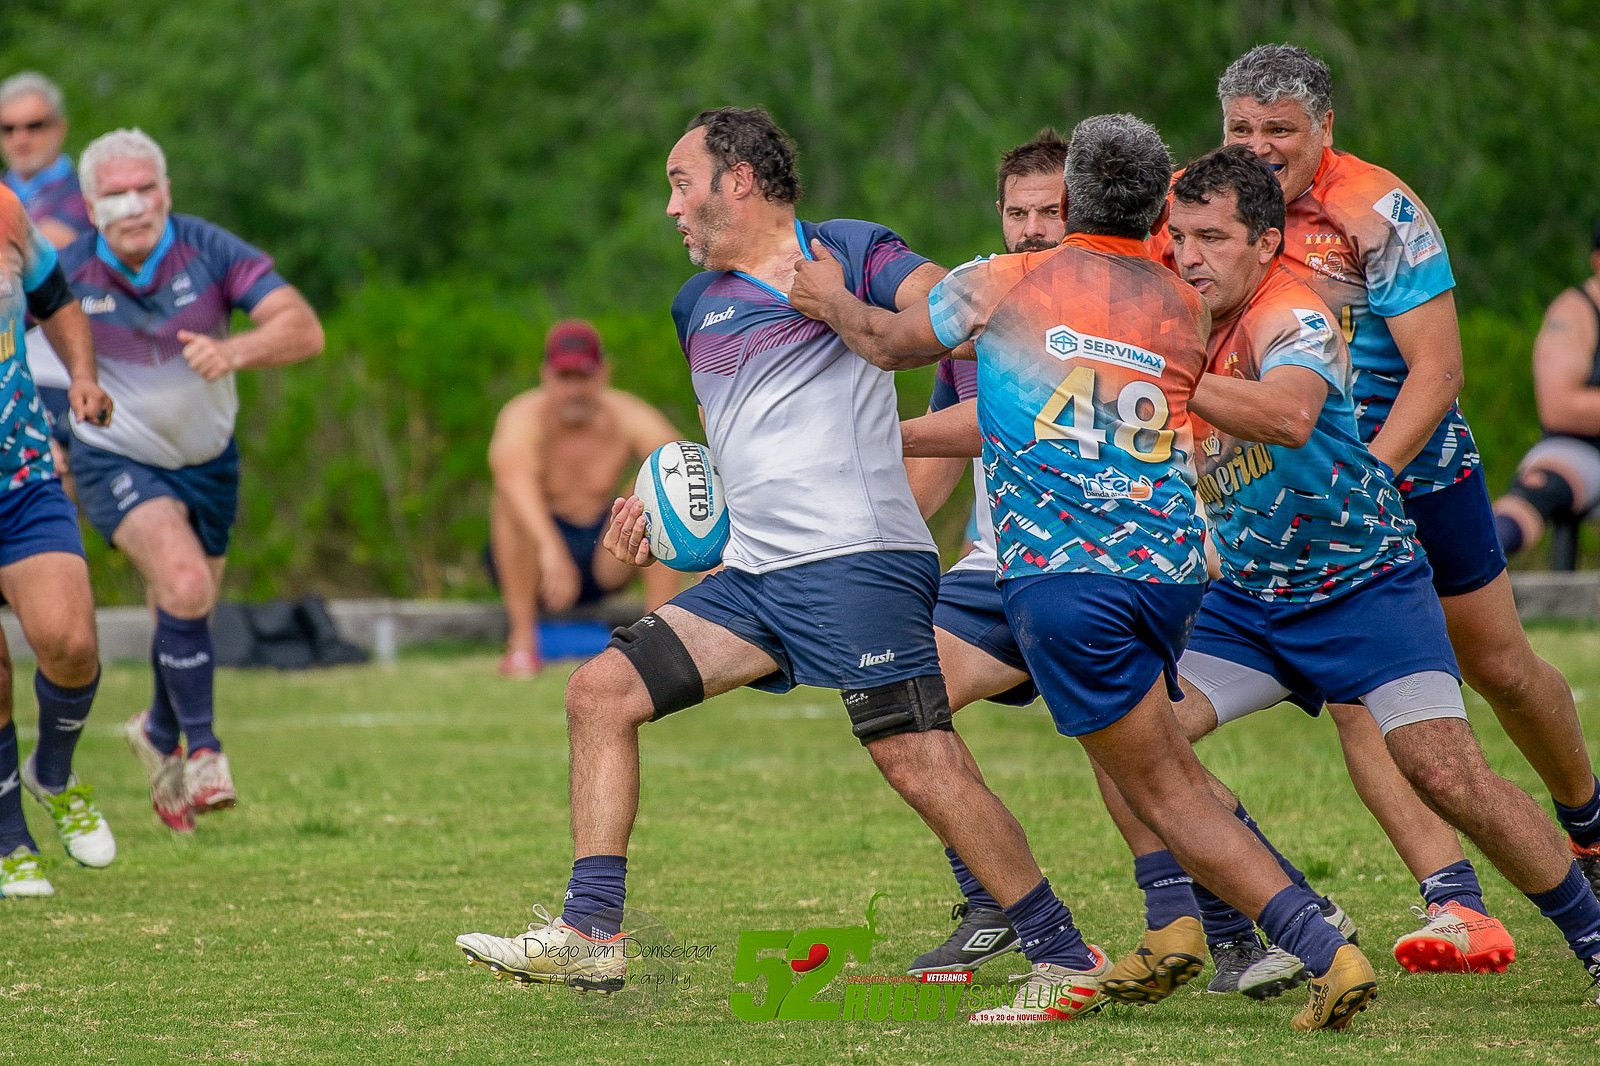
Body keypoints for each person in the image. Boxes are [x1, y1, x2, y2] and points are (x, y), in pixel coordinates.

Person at [459, 106, 1146, 1027]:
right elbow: (744, 452)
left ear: (738, 180)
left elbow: (955, 312)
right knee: (600, 694)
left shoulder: (848, 250)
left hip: (859, 560)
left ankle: (1064, 955)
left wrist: (846, 307)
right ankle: (590, 933)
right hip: (756, 573)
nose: (671, 208)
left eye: (680, 183)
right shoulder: (695, 305)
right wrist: (661, 514)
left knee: (916, 759)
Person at [793, 112, 1375, 1032]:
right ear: (1155, 208)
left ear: (1070, 201)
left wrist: (829, 297)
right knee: (1146, 764)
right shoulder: (1179, 302)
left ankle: (1315, 944)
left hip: (1069, 580)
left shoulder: (1002, 280)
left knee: (1164, 788)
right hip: (1169, 573)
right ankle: (1179, 929)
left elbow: (888, 340)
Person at [1130, 143, 1600, 1003]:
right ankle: (1294, 919)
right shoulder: (1173, 318)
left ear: (1265, 243)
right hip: (1249, 601)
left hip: (1363, 589)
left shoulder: (1292, 315)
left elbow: (1289, 414)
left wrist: (1166, 380)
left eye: (1211, 238)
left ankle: (1593, 936)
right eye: (1179, 237)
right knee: (1133, 740)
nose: (1187, 256)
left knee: (1446, 774)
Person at [1205, 44, 1600, 903]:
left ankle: (1590, 822)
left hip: (1414, 473)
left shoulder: (1376, 208)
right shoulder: (1201, 209)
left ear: (1325, 127)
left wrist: (1373, 475)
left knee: (1499, 667)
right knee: (1361, 698)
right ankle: (1453, 899)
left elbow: (1440, 370)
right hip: (1291, 497)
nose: (1259, 147)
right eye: (1241, 128)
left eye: (1280, 129)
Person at [57, 129, 323, 833]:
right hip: (114, 456)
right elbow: (25, 356)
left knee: (187, 606)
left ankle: (156, 730)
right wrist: (52, 431)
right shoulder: (69, 273)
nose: (134, 205)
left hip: (209, 462)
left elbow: (303, 328)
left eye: (146, 188)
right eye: (116, 194)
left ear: (167, 192)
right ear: (91, 206)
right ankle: (204, 753)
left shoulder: (207, 249)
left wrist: (235, 351)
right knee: (183, 583)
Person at [0, 182, 116, 897]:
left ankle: (53, 770)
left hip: (23, 475)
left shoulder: (5, 210)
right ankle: (9, 840)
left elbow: (58, 301)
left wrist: (82, 376)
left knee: (70, 644)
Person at [487, 320, 682, 678]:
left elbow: (678, 457)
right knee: (508, 498)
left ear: (603, 374)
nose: (574, 390)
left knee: (661, 492)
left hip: (605, 553)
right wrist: (549, 547)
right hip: (536, 561)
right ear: (546, 376)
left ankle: (659, 644)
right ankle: (523, 645)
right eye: (565, 378)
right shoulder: (523, 415)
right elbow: (509, 472)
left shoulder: (626, 415)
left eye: (584, 377)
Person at [1493, 222, 1600, 564]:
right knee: (1541, 486)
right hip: (1581, 448)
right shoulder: (1575, 312)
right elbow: (1559, 407)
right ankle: (1472, 561)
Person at [1, 73, 90, 249]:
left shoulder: (87, 190)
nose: (20, 140)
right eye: (8, 129)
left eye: (34, 126)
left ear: (60, 127)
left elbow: (48, 246)